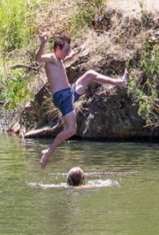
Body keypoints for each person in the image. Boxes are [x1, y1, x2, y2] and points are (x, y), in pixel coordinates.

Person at [35, 33, 128, 167]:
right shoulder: (51, 58)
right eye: (66, 50)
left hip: (68, 93)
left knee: (90, 74)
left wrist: (72, 55)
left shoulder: (59, 60)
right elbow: (38, 58)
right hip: (63, 97)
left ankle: (121, 82)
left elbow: (63, 62)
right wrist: (43, 43)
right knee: (72, 129)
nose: (67, 53)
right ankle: (48, 153)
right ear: (58, 49)